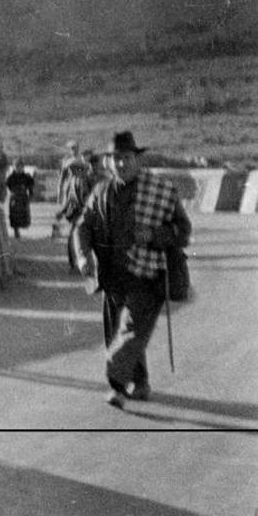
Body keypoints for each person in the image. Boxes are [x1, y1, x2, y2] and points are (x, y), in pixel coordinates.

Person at [73, 131, 191, 409]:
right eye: (115, 159)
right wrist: (82, 255)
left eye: (126, 158)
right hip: (112, 276)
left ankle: (117, 388)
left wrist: (152, 235)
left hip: (146, 275)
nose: (121, 165)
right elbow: (83, 225)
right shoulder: (101, 190)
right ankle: (140, 382)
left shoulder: (160, 191)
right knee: (119, 333)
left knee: (130, 332)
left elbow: (183, 231)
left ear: (137, 159)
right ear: (108, 162)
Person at [60, 151, 105, 271]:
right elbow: (71, 197)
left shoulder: (96, 178)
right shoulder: (77, 180)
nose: (72, 171)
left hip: (88, 212)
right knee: (75, 237)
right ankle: (75, 263)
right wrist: (63, 210)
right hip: (78, 213)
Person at [52, 141, 90, 238]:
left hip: (80, 188)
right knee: (66, 209)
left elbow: (86, 174)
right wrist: (59, 191)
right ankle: (56, 227)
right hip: (70, 189)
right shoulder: (67, 161)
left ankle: (75, 231)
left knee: (78, 209)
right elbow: (62, 178)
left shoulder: (83, 159)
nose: (74, 150)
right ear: (69, 150)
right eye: (72, 148)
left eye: (76, 147)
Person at [5, 158, 35, 239]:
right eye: (16, 166)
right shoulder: (11, 177)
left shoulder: (26, 177)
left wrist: (30, 195)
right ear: (14, 167)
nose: (18, 168)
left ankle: (23, 226)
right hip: (14, 198)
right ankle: (16, 231)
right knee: (14, 215)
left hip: (23, 198)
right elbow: (8, 187)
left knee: (23, 215)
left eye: (20, 166)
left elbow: (30, 187)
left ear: (23, 167)